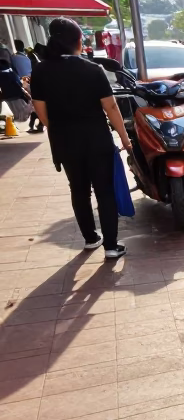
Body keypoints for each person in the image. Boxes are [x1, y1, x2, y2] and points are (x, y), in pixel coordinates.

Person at [30, 17, 132, 260]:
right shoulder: (92, 69)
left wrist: (61, 129)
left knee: (78, 190)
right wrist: (125, 138)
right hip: (96, 139)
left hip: (64, 141)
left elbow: (41, 112)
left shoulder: (40, 70)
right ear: (78, 41)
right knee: (104, 191)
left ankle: (90, 238)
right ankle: (111, 246)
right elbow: (111, 107)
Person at [10, 40, 41, 131]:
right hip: (32, 82)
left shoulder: (13, 58)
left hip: (24, 83)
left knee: (32, 104)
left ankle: (34, 122)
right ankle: (35, 122)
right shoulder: (27, 58)